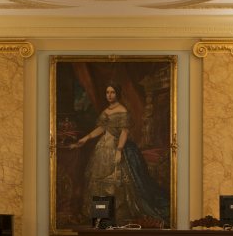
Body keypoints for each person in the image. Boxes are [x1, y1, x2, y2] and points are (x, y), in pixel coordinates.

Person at [70, 83, 169, 226]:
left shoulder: (122, 110)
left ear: (118, 94)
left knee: (116, 181)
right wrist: (85, 139)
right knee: (99, 182)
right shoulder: (106, 111)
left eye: (112, 92)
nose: (109, 95)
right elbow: (101, 128)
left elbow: (124, 132)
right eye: (107, 92)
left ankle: (117, 216)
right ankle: (102, 217)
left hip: (116, 147)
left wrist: (119, 150)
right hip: (102, 149)